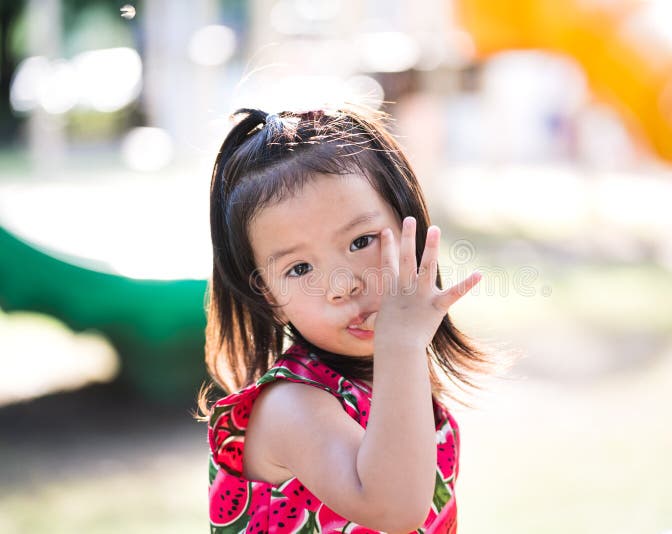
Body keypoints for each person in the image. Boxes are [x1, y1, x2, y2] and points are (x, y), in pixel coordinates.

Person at [198, 105, 508, 533]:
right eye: (300, 269)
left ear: (408, 228)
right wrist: (401, 345)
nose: (341, 286)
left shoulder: (390, 380)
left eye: (361, 241)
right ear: (270, 297)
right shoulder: (290, 407)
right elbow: (392, 509)